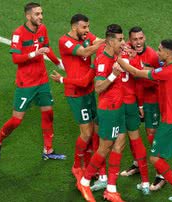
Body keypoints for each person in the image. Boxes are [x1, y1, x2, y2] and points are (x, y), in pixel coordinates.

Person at [117, 39, 172, 202]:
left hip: (171, 120)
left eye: (160, 50)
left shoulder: (167, 72)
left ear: (168, 52)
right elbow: (154, 66)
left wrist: (120, 59)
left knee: (155, 158)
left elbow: (137, 73)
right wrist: (135, 57)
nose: (157, 53)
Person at [0, 2, 66, 161]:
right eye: (37, 14)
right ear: (28, 16)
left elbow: (47, 48)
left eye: (41, 13)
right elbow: (16, 59)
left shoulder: (42, 29)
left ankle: (48, 149)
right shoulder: (18, 33)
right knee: (17, 120)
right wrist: (35, 53)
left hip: (42, 80)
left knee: (48, 112)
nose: (41, 17)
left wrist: (60, 64)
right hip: (26, 84)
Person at [76, 24, 126, 202]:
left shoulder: (113, 53)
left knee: (120, 143)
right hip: (109, 109)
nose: (123, 42)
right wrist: (112, 75)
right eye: (120, 40)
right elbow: (98, 87)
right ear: (111, 42)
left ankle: (111, 189)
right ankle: (84, 181)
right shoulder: (105, 60)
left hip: (118, 107)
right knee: (105, 148)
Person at [58, 14, 105, 181]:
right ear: (74, 27)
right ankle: (77, 165)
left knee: (94, 129)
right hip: (75, 92)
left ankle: (91, 162)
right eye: (84, 27)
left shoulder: (86, 36)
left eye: (88, 27)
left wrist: (104, 42)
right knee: (86, 132)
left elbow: (97, 40)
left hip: (89, 89)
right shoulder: (65, 41)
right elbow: (85, 51)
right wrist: (106, 43)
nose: (88, 30)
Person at [119, 26, 165, 191]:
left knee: (152, 135)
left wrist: (144, 70)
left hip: (151, 100)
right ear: (130, 40)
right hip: (133, 99)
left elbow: (161, 76)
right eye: (134, 39)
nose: (138, 42)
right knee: (133, 132)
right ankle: (137, 163)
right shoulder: (127, 52)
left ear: (144, 38)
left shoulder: (153, 55)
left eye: (140, 39)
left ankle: (161, 174)